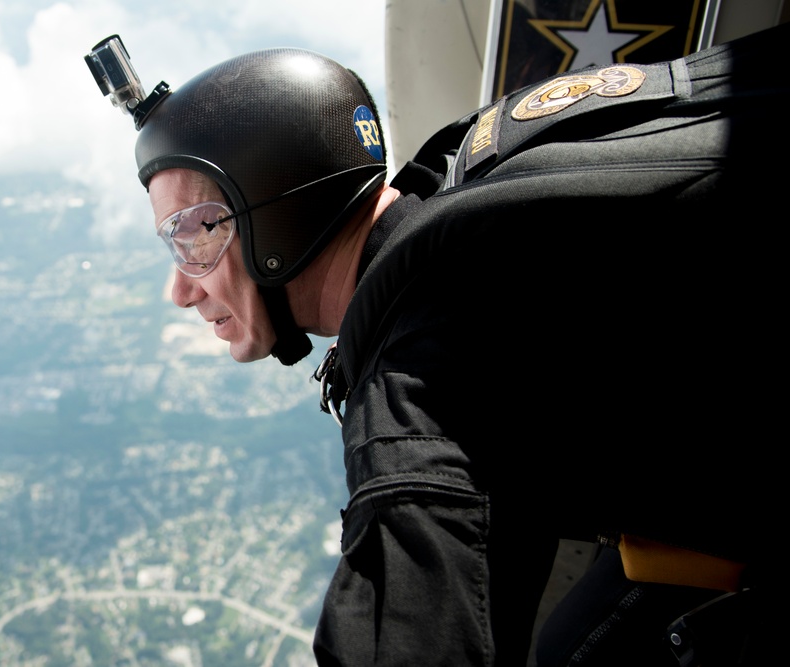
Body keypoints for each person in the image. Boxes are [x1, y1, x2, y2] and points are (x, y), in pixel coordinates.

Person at [87, 21, 784, 666]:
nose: (180, 289)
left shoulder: (416, 397)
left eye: (193, 235)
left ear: (276, 212)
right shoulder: (482, 156)